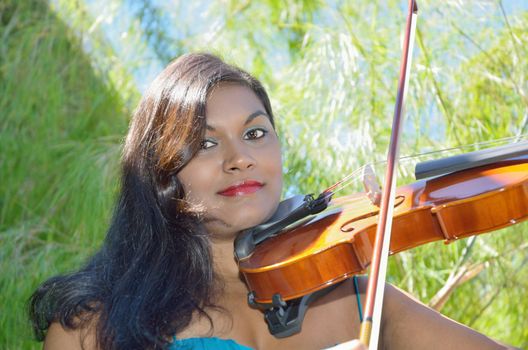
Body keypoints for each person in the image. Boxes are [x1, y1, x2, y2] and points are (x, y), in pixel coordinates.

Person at [30, 53, 514, 350]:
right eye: (205, 142)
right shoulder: (93, 324)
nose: (241, 158)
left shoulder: (354, 295)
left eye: (256, 133)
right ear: (160, 170)